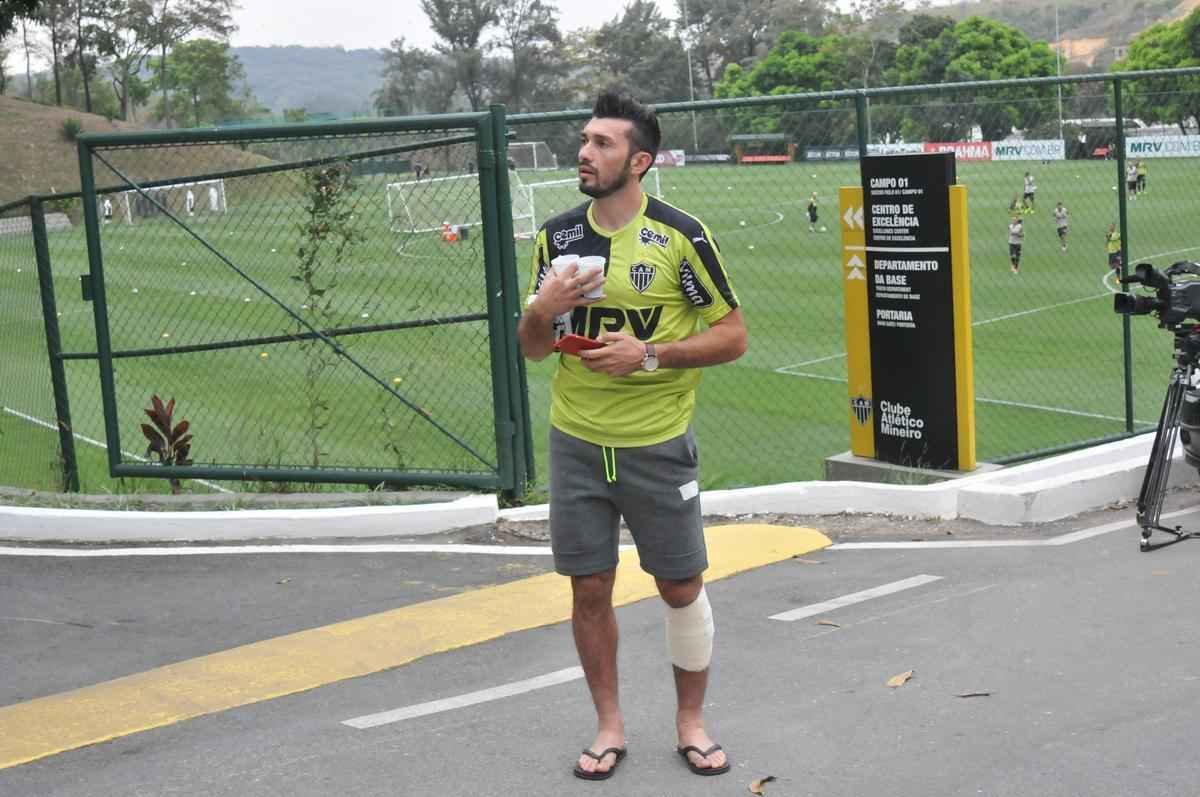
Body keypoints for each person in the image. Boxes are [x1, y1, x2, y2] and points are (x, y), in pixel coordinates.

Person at [517, 90, 746, 782]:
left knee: (679, 586)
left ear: (639, 161)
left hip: (657, 440)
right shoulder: (557, 238)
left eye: (603, 143)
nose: (585, 153)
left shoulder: (680, 235)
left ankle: (691, 721)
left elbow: (733, 336)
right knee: (589, 588)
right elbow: (533, 348)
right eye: (584, 140)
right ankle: (609, 724)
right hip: (577, 441)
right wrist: (542, 309)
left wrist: (648, 355)